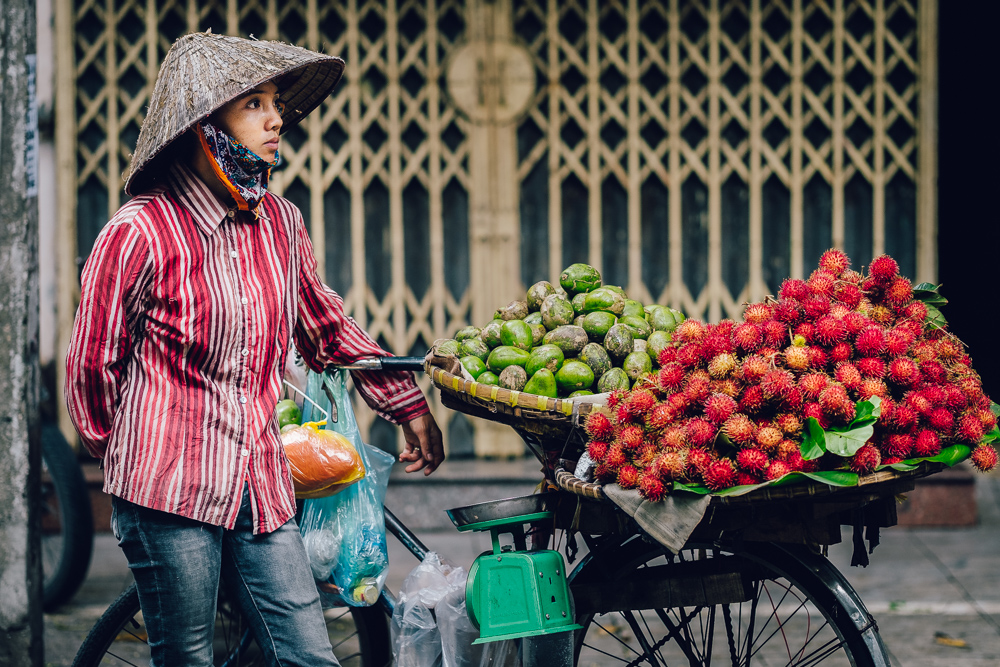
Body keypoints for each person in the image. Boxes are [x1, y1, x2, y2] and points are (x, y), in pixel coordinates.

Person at [65, 32, 444, 666]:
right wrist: (128, 455)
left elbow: (327, 329)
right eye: (254, 106)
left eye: (276, 104)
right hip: (167, 490)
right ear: (201, 127)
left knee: (308, 656)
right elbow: (91, 367)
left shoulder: (281, 224)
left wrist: (407, 406)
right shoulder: (138, 233)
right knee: (187, 656)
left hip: (260, 483)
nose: (277, 120)